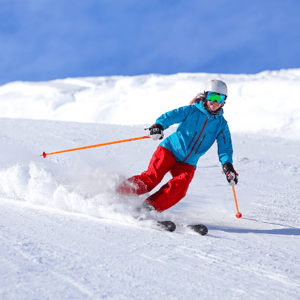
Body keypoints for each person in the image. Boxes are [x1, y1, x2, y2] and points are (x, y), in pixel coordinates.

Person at [116, 79, 238, 212]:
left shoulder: (221, 124)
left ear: (224, 101)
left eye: (219, 98)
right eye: (212, 97)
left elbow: (225, 147)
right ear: (205, 96)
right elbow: (170, 116)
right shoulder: (191, 110)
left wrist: (228, 166)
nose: (215, 102)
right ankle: (118, 193)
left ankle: (149, 207)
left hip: (188, 162)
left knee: (180, 186)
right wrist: (158, 126)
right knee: (152, 179)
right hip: (170, 150)